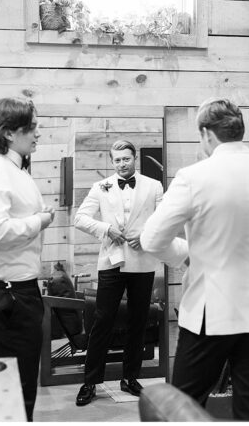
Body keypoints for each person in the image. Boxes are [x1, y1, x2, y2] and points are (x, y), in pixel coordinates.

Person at [140, 98, 249, 421]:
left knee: (180, 406)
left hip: (212, 311)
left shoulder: (193, 176)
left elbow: (151, 239)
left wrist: (186, 254)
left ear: (206, 134)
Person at [0, 97, 54, 421]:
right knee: (1, 398)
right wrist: (39, 221)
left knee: (19, 392)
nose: (38, 133)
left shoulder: (14, 169)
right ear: (8, 132)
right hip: (2, 296)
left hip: (15, 293)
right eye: (32, 127)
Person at [73, 140, 167, 406]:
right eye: (117, 160)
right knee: (102, 321)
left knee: (138, 321)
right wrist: (105, 229)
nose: (122, 164)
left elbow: (164, 219)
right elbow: (80, 218)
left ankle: (130, 378)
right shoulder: (100, 186)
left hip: (142, 262)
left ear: (134, 158)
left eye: (126, 159)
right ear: (112, 161)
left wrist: (145, 235)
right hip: (111, 262)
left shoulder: (154, 186)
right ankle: (90, 382)